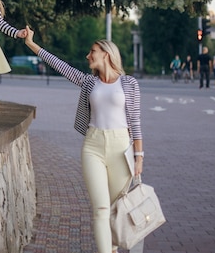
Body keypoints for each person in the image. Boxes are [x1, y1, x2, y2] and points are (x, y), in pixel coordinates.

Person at [23, 26, 144, 253]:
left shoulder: (129, 84)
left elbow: (136, 122)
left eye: (93, 51)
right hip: (93, 146)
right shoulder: (89, 82)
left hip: (121, 148)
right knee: (100, 209)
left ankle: (113, 248)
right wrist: (32, 44)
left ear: (106, 54)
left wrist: (139, 156)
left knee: (116, 208)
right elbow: (60, 65)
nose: (88, 56)